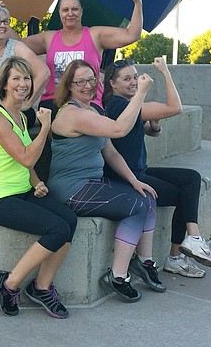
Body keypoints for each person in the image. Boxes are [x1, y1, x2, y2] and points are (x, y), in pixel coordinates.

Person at [47, 59, 163, 303]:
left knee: (147, 198)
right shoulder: (72, 113)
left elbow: (110, 152)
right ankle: (118, 276)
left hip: (92, 184)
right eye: (81, 81)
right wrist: (140, 92)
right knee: (136, 206)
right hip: (70, 189)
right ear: (69, 86)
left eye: (92, 79)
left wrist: (134, 181)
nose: (88, 85)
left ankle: (145, 262)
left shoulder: (93, 111)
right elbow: (120, 129)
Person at [102, 57, 211, 278]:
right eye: (126, 78)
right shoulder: (118, 105)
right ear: (112, 83)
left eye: (135, 77)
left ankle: (191, 241)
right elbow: (175, 108)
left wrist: (154, 124)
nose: (133, 82)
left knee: (191, 178)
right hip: (125, 179)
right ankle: (178, 255)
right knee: (184, 193)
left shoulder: (129, 104)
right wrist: (165, 71)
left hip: (139, 171)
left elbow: (150, 131)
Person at [0, 56, 76, 319]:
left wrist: (36, 182)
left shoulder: (21, 116)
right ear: (4, 84)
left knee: (70, 219)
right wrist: (45, 127)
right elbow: (26, 157)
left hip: (24, 192)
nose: (23, 84)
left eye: (26, 78)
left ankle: (41, 286)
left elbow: (23, 163)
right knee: (57, 229)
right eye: (16, 78)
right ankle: (10, 283)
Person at [20, 0, 143, 114]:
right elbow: (16, 44)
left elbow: (132, 35)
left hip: (89, 101)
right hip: (54, 101)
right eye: (65, 10)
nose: (70, 13)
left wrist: (137, 3)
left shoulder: (95, 35)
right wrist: (0, 16)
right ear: (59, 13)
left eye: (75, 9)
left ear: (81, 11)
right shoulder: (48, 38)